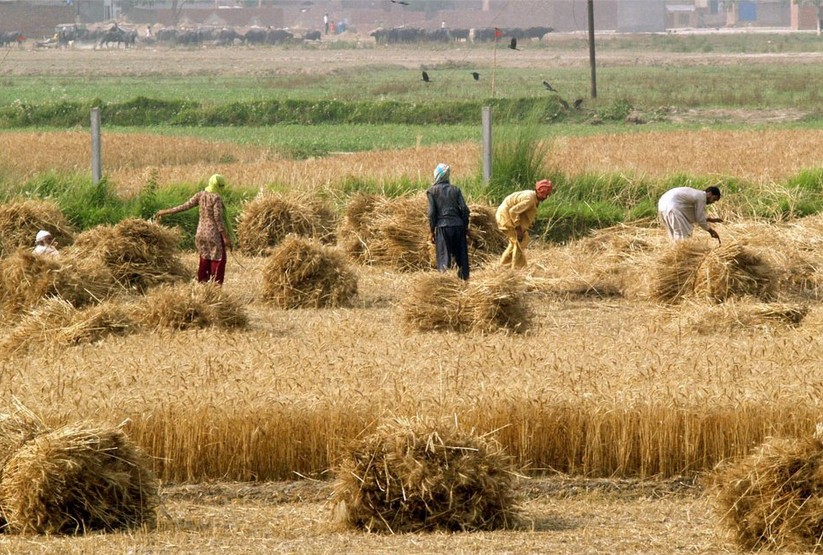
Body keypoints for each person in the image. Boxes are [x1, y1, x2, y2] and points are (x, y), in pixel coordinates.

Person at [155, 174, 233, 285]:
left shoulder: (200, 195)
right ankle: (214, 289)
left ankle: (202, 284)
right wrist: (225, 237)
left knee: (205, 258)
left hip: (200, 233)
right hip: (213, 235)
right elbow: (218, 219)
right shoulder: (216, 198)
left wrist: (166, 211)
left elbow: (185, 206)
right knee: (218, 260)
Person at [495, 179, 553, 269]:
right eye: (546, 194)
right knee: (518, 243)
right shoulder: (530, 199)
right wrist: (518, 229)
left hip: (506, 215)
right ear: (541, 193)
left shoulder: (533, 197)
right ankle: (518, 270)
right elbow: (513, 211)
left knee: (519, 242)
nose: (546, 197)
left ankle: (504, 266)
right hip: (506, 217)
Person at [427, 163, 470, 280]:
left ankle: (445, 283)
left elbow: (431, 214)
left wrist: (431, 231)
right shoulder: (455, 190)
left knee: (444, 258)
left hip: (443, 227)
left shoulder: (432, 191)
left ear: (437, 175)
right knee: (461, 258)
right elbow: (465, 209)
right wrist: (465, 227)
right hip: (458, 226)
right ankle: (464, 282)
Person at [658, 186, 722, 244]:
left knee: (674, 235)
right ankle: (680, 254)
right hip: (671, 208)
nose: (712, 202)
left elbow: (687, 211)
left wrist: (708, 219)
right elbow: (699, 218)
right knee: (682, 235)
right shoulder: (702, 197)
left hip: (662, 207)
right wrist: (710, 231)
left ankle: (675, 254)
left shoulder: (693, 195)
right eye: (713, 199)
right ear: (709, 194)